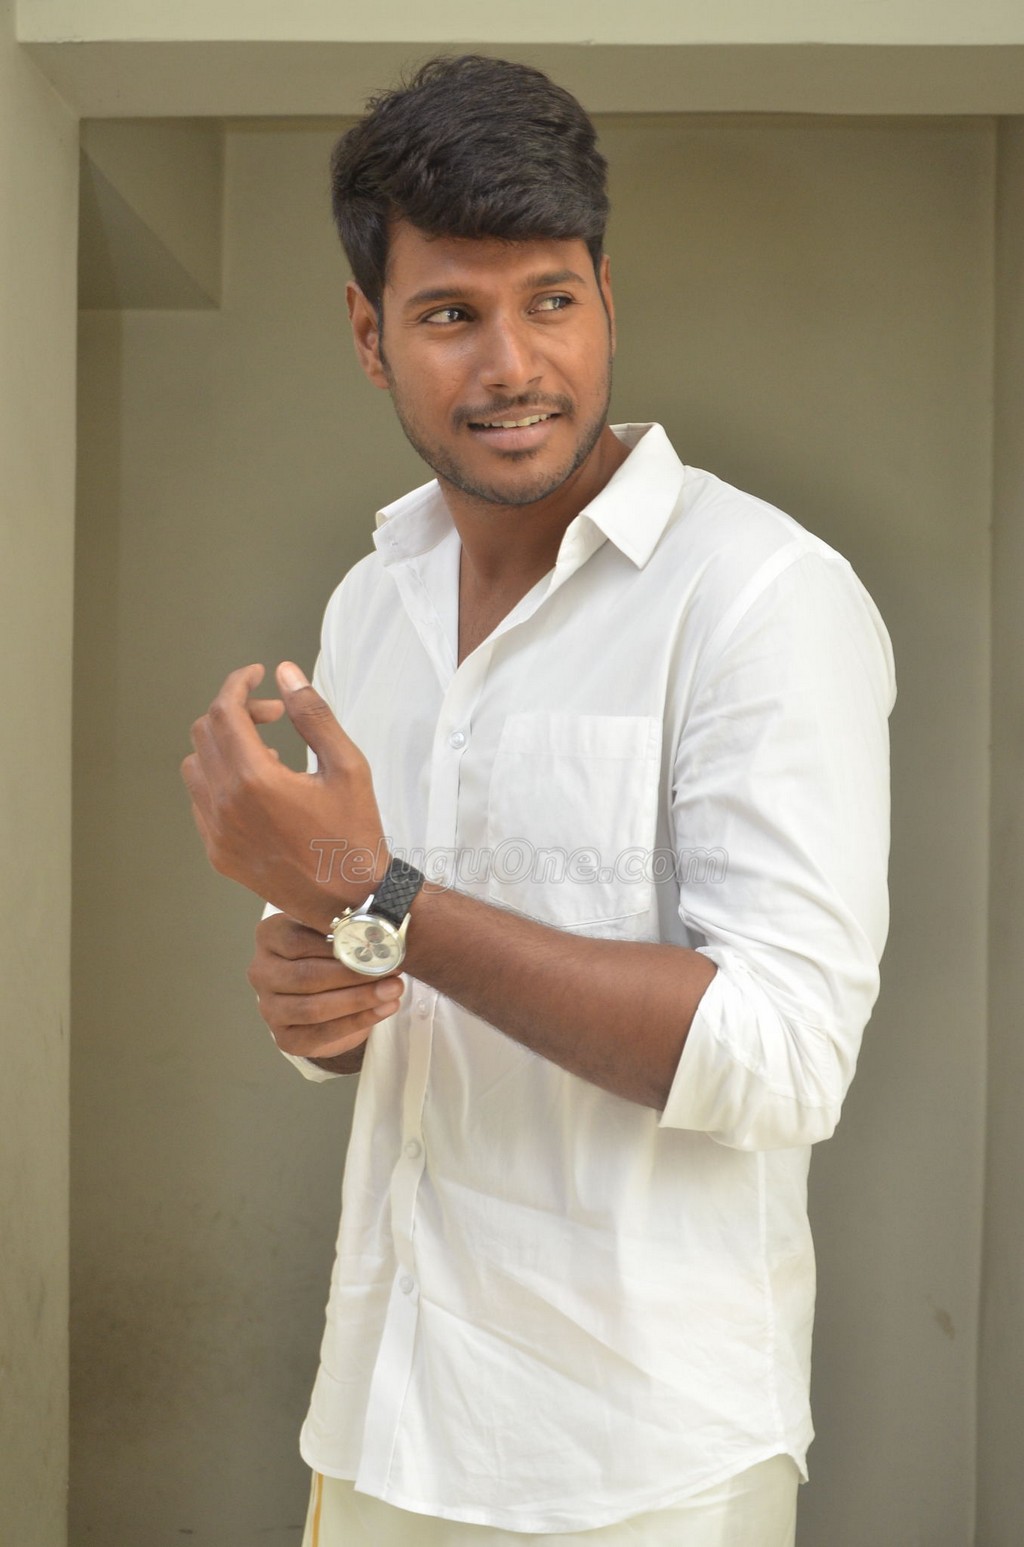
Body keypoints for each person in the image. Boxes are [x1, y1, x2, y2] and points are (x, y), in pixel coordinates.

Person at [182, 54, 896, 1547]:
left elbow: (783, 1057)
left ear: (607, 299)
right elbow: (375, 968)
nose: (513, 363)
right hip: (381, 1415)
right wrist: (317, 999)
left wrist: (378, 897)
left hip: (643, 1464)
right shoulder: (373, 602)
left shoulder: (762, 596)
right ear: (370, 335)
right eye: (451, 314)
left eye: (551, 300)